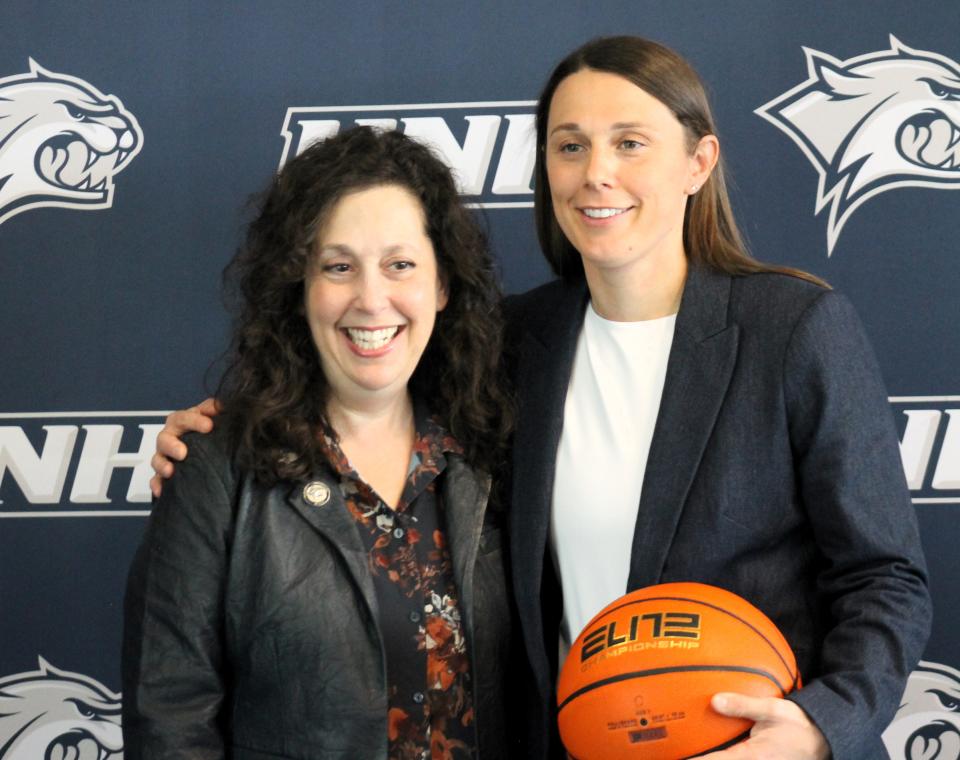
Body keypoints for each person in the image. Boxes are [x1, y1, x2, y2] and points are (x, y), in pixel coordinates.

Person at [151, 37, 931, 760]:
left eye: (630, 142)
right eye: (570, 145)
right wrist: (216, 436)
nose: (596, 171)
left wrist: (823, 726)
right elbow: (363, 370)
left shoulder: (793, 331)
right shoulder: (519, 341)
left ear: (699, 161)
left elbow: (885, 576)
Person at [123, 126, 516, 760]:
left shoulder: (491, 451)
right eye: (339, 267)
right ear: (298, 289)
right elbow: (169, 714)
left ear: (442, 287)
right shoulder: (219, 465)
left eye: (400, 265)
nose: (371, 298)